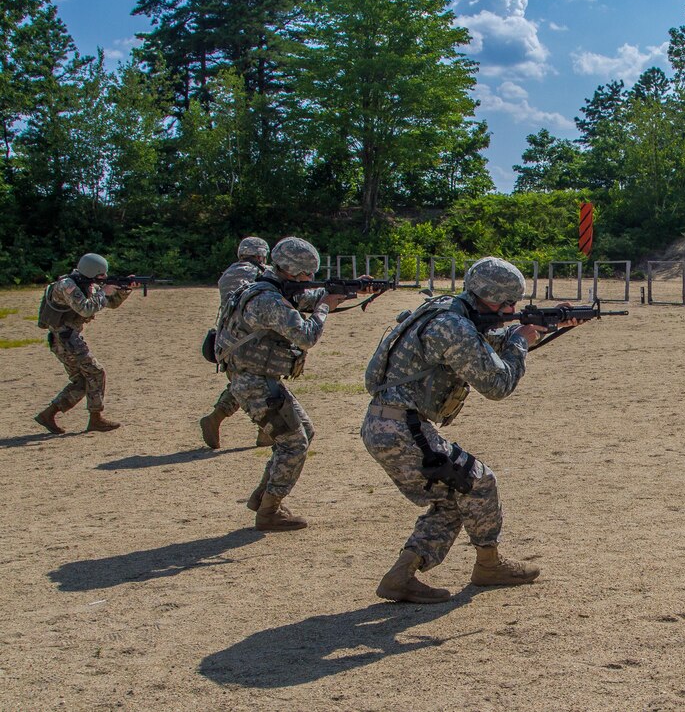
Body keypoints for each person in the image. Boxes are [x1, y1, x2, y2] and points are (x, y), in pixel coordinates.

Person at [362, 257, 585, 604]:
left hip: (389, 423)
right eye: (508, 303)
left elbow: (490, 346)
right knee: (479, 480)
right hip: (402, 428)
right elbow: (498, 382)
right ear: (490, 297)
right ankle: (489, 565)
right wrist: (521, 341)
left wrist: (544, 325)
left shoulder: (447, 311)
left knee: (452, 499)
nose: (512, 309)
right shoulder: (453, 327)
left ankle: (402, 575)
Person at [215, 237, 348, 532]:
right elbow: (306, 336)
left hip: (258, 378)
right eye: (307, 274)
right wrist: (325, 307)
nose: (310, 279)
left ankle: (263, 497)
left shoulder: (269, 287)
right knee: (294, 444)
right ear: (294, 271)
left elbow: (306, 298)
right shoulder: (267, 299)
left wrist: (347, 290)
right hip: (253, 382)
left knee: (304, 433)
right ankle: (269, 512)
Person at [34, 253, 136, 434]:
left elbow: (110, 303)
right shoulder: (67, 286)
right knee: (96, 372)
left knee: (82, 381)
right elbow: (86, 309)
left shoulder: (86, 283)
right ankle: (96, 419)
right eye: (101, 275)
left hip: (67, 340)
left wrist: (124, 289)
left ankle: (48, 414)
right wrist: (104, 292)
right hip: (66, 339)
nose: (104, 278)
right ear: (92, 272)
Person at [199, 236, 275, 449]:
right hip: (253, 342)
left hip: (226, 342)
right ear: (261, 255)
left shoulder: (228, 274)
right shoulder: (262, 273)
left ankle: (216, 418)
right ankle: (265, 431)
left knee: (241, 384)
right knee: (267, 385)